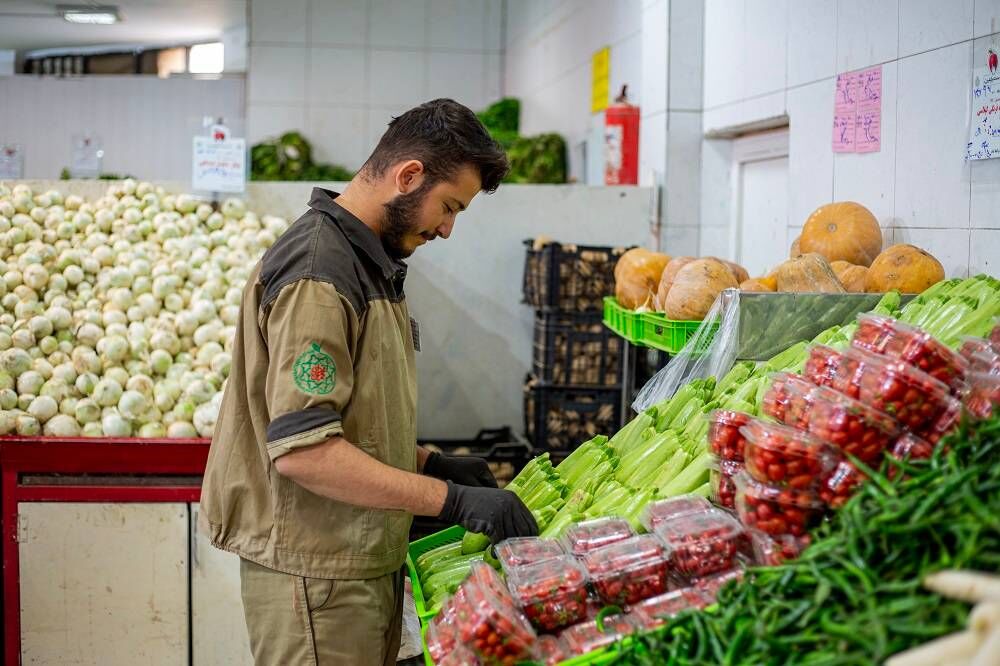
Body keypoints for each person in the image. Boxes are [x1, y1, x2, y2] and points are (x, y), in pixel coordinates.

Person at [199, 98, 538, 665]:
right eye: (449, 206)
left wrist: (429, 462)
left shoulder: (367, 261)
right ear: (409, 176)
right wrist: (449, 500)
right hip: (315, 577)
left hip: (351, 564)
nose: (448, 229)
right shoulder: (319, 272)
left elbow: (354, 422)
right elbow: (305, 452)